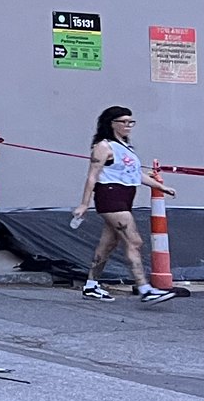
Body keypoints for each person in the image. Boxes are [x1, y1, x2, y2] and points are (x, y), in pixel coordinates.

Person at [74, 106, 176, 302]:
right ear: (111, 123)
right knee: (134, 241)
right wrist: (84, 204)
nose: (128, 126)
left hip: (124, 196)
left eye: (131, 122)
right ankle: (144, 287)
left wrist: (160, 187)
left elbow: (134, 174)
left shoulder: (124, 146)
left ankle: (91, 285)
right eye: (124, 122)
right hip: (111, 196)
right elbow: (92, 176)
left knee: (108, 244)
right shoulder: (104, 146)